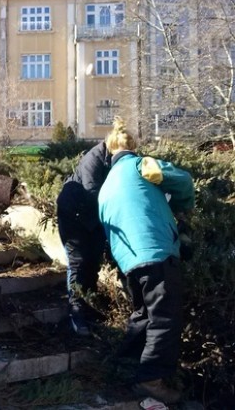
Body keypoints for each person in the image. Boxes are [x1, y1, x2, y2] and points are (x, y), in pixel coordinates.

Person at [98, 118, 194, 404]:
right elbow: (184, 181)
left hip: (129, 262)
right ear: (132, 148)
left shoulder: (105, 188)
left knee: (142, 315)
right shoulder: (142, 166)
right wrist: (183, 209)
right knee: (165, 317)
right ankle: (152, 379)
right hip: (156, 252)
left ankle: (126, 366)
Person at [56, 135, 112, 336]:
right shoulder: (93, 159)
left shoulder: (116, 159)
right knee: (78, 261)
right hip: (73, 214)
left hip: (93, 217)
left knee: (94, 260)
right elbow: (92, 192)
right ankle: (76, 310)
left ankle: (89, 303)